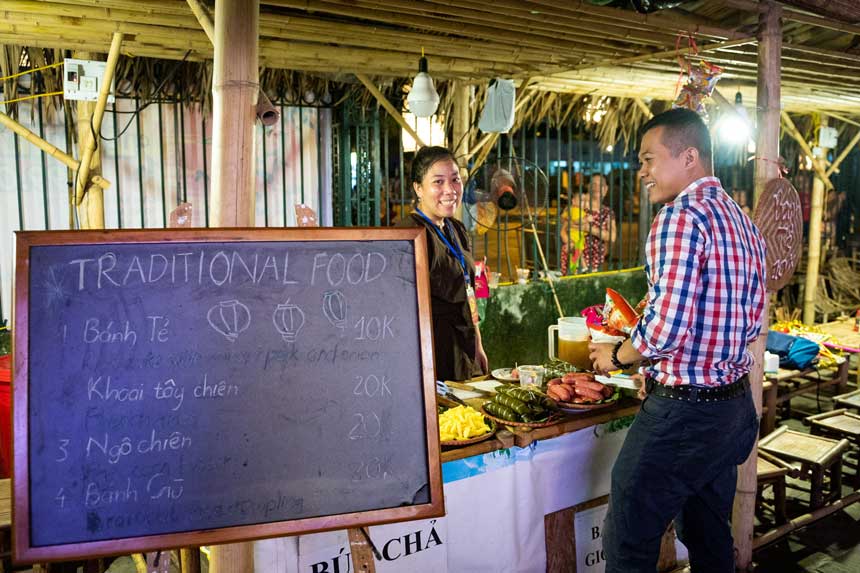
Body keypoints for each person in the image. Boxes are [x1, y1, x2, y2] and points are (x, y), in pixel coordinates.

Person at [588, 108, 766, 573]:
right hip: (732, 409)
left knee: (628, 536)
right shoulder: (741, 221)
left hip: (684, 413)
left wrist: (620, 357)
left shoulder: (679, 217)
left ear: (689, 157)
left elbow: (666, 328)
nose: (641, 171)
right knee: (708, 535)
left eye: (649, 159)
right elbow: (751, 325)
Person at [399, 146, 489, 381]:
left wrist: (477, 343)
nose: (450, 190)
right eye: (438, 182)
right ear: (418, 188)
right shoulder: (409, 233)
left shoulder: (455, 228)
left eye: (455, 180)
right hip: (432, 353)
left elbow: (468, 290)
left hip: (464, 345)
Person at [560, 174, 617, 274]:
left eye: (601, 185)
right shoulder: (578, 207)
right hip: (574, 256)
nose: (597, 188)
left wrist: (588, 228)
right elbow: (564, 227)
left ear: (606, 189)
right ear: (588, 187)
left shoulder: (608, 212)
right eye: (594, 184)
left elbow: (612, 237)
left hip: (596, 260)